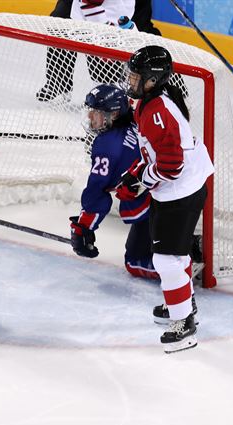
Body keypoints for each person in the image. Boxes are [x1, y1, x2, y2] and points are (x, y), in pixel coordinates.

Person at [116, 45, 214, 354]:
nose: (130, 82)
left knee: (166, 259)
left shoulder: (157, 110)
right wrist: (136, 174)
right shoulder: (150, 102)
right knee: (175, 255)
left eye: (136, 77)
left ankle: (183, 325)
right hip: (179, 188)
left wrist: (141, 181)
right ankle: (184, 303)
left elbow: (172, 166)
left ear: (153, 80)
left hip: (180, 192)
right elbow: (157, 154)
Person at [70, 84, 158, 279]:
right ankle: (187, 244)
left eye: (96, 113)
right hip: (179, 187)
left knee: (135, 261)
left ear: (114, 115)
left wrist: (83, 227)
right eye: (90, 111)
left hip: (159, 202)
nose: (89, 117)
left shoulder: (106, 146)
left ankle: (181, 265)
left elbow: (98, 189)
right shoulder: (136, 118)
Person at [37, 0, 137, 102]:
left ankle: (107, 90)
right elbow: (88, 4)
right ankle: (58, 83)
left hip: (108, 13)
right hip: (91, 14)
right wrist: (105, 28)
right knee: (60, 27)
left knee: (106, 74)